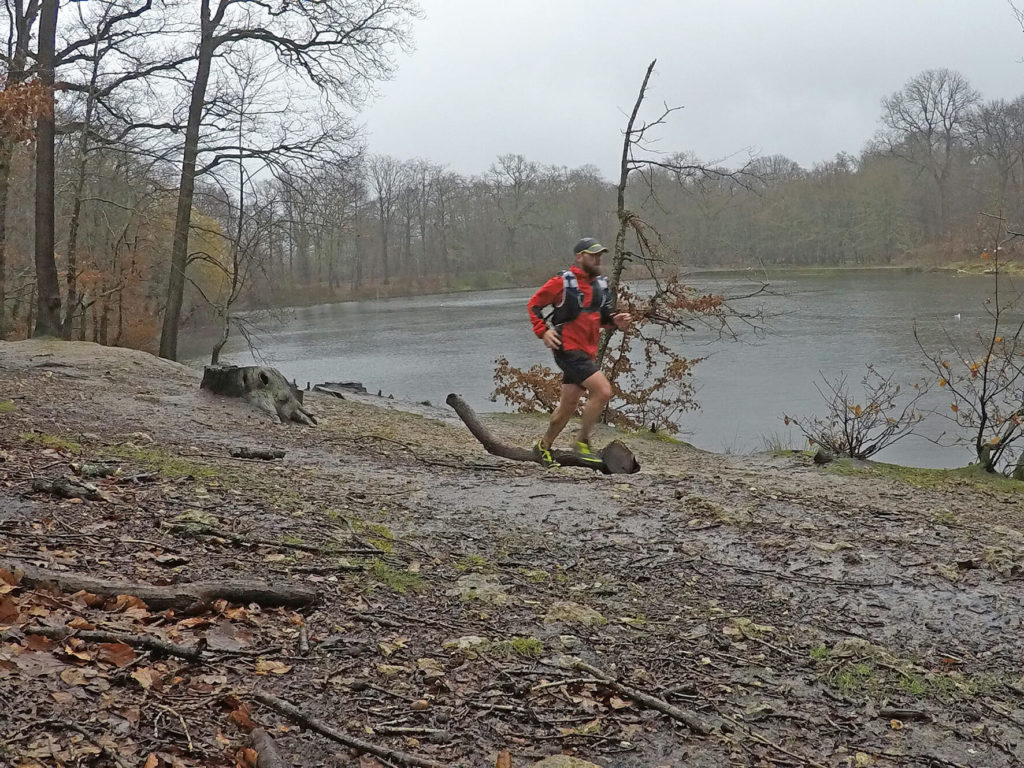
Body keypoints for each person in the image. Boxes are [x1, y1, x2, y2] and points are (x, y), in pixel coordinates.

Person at [527, 237, 631, 467]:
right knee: (603, 391)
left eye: (599, 256)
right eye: (592, 255)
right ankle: (582, 442)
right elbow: (533, 305)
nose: (597, 259)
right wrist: (543, 331)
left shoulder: (600, 286)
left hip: (586, 352)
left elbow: (601, 318)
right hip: (567, 349)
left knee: (568, 406)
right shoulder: (562, 283)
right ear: (579, 257)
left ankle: (542, 447)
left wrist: (616, 320)